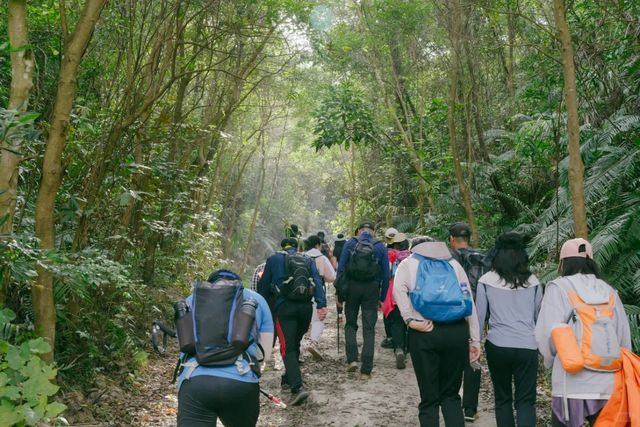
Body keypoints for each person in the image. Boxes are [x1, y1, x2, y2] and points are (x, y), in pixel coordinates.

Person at [535, 238, 631, 427]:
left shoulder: (559, 288)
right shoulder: (609, 291)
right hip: (608, 384)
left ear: (563, 263)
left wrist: (550, 364)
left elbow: (546, 334)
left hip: (571, 384)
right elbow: (623, 339)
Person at [393, 236, 481, 427]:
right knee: (451, 395)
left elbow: (398, 291)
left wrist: (409, 319)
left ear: (414, 249)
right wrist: (475, 340)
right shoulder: (453, 264)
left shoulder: (408, 264)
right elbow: (469, 301)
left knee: (429, 397)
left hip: (424, 331)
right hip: (456, 332)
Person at [176, 269, 274, 427]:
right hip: (240, 383)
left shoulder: (192, 299)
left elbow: (184, 346)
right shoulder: (256, 300)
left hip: (195, 382)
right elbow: (264, 355)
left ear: (210, 284)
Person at [475, 232, 542, 427]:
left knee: (503, 398)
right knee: (526, 401)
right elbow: (540, 318)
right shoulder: (534, 282)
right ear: (523, 255)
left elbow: (480, 317)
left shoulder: (486, 280)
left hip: (498, 345)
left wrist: (475, 344)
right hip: (528, 346)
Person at [257, 238, 327, 405]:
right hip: (305, 309)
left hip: (285, 308)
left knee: (287, 347)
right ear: (298, 247)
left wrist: (264, 309)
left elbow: (264, 287)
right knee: (294, 343)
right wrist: (321, 305)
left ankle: (298, 387)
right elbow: (318, 282)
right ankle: (288, 378)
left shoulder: (274, 259)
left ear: (282, 247)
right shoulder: (308, 260)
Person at [337, 221, 390, 379]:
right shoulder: (380, 247)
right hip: (371, 290)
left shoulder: (350, 243)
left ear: (359, 231)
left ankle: (352, 360)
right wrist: (382, 297)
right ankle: (366, 371)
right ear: (373, 231)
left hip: (352, 288)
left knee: (350, 324)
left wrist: (339, 295)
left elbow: (341, 268)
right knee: (369, 329)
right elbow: (386, 275)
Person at [448, 222, 488, 422]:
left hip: (452, 314)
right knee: (473, 357)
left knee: (451, 358)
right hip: (476, 313)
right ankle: (470, 409)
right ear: (469, 239)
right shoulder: (482, 258)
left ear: (451, 239)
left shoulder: (447, 259)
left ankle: (450, 401)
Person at [305, 234, 336, 360]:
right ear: (318, 245)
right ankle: (314, 342)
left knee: (304, 320)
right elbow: (332, 277)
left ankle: (300, 346)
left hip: (303, 292)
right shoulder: (321, 257)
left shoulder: (302, 256)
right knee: (318, 319)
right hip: (318, 291)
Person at [381, 232, 411, 369]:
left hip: (395, 291)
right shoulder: (412, 256)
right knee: (409, 321)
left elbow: (385, 274)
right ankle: (407, 347)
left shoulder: (391, 255)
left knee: (397, 321)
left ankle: (399, 349)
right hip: (411, 293)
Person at [381, 227, 400, 350]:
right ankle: (400, 339)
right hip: (400, 285)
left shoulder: (384, 252)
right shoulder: (403, 252)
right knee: (399, 313)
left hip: (387, 285)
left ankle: (389, 337)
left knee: (386, 311)